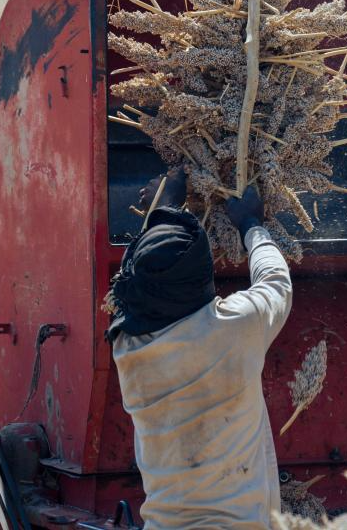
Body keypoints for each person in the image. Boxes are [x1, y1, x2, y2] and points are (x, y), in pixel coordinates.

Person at [105, 168, 293, 529]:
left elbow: (143, 280)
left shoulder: (128, 350)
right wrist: (251, 223)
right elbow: (276, 282)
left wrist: (163, 211)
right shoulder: (235, 327)